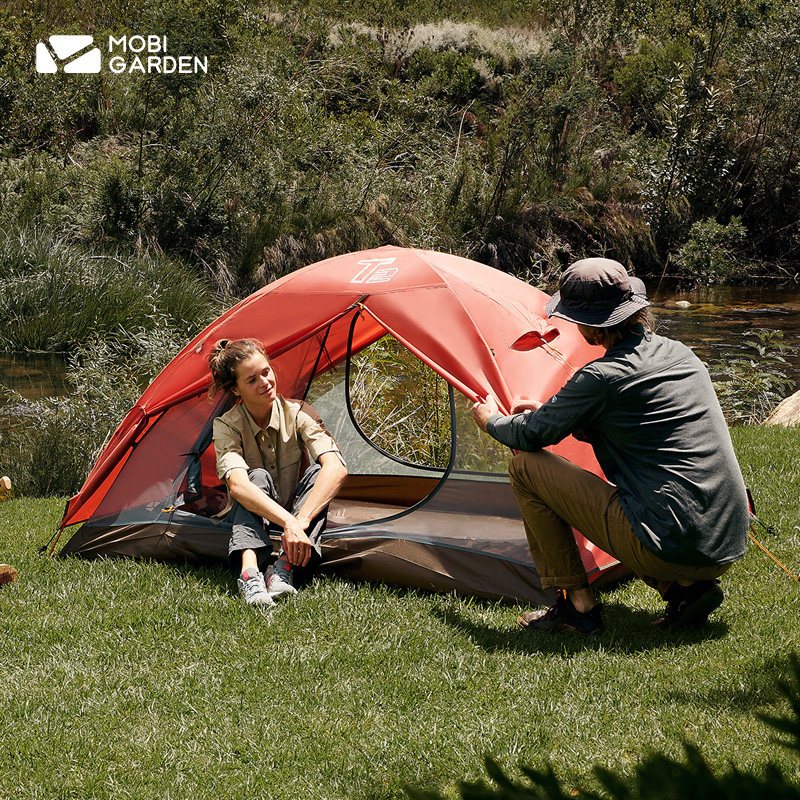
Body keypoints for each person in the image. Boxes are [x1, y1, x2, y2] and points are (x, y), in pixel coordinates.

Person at [471, 257, 750, 634]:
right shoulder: (679, 354)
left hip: (675, 545)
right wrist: (558, 415)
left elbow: (529, 436)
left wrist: (490, 420)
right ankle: (686, 590)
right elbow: (634, 424)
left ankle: (577, 608)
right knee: (649, 503)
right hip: (726, 538)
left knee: (526, 469)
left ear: (590, 326)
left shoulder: (602, 377)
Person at [209, 338, 348, 607]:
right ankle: (249, 573)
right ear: (236, 389)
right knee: (256, 477)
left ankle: (282, 567)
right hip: (255, 512)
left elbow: (336, 467)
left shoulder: (298, 412)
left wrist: (300, 520)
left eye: (266, 372)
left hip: (296, 513)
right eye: (252, 380)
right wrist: (289, 523)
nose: (265, 382)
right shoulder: (226, 425)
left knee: (319, 473)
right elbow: (237, 486)